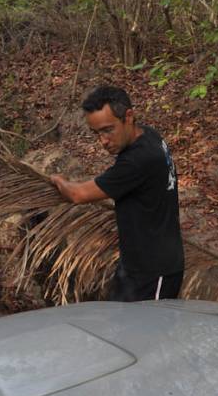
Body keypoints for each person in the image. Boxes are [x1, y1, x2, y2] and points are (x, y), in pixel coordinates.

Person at [50, 85, 184, 301]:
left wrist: (59, 180)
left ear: (128, 116)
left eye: (107, 130)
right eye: (97, 133)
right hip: (134, 266)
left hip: (155, 273)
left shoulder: (139, 159)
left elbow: (78, 195)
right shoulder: (149, 135)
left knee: (149, 334)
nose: (102, 141)